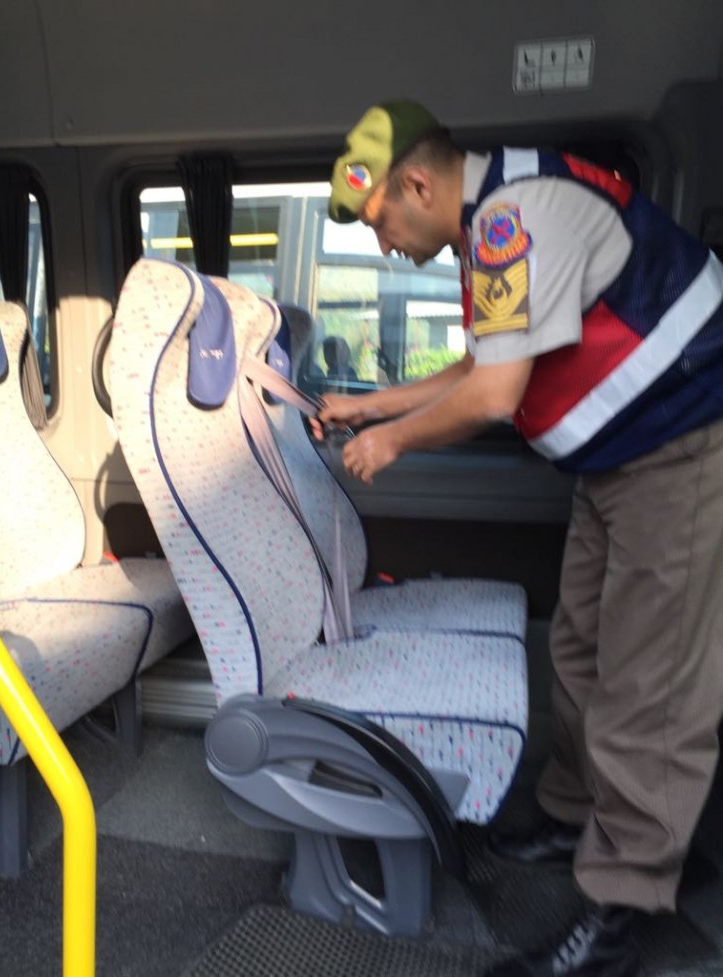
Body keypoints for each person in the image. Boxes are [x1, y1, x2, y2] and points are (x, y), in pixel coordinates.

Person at [313, 100, 723, 977]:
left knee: (647, 685)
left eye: (380, 222)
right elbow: (480, 364)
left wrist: (391, 441)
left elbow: (495, 396)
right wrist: (366, 405)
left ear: (417, 184)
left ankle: (621, 909)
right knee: (578, 647)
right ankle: (573, 816)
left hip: (685, 445)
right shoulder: (495, 217)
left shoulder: (510, 219)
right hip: (619, 459)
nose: (383, 245)